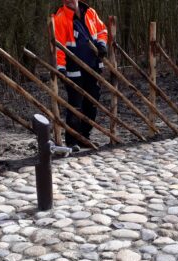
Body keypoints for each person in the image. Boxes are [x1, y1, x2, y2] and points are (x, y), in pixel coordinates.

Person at [53, 0, 108, 151]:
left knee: (92, 102)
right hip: (74, 70)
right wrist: (60, 67)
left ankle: (85, 136)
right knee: (75, 105)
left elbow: (102, 31)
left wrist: (102, 45)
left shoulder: (90, 13)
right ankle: (72, 139)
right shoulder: (60, 18)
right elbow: (58, 46)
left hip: (93, 67)